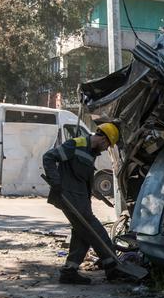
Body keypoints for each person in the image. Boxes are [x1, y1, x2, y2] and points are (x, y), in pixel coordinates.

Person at [42, 122, 121, 285]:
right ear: (104, 140)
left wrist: (94, 192)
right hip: (69, 197)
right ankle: (111, 265)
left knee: (82, 233)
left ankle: (69, 271)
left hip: (81, 200)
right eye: (108, 146)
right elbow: (49, 157)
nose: (106, 149)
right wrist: (56, 182)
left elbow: (81, 177)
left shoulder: (91, 152)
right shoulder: (76, 144)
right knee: (95, 230)